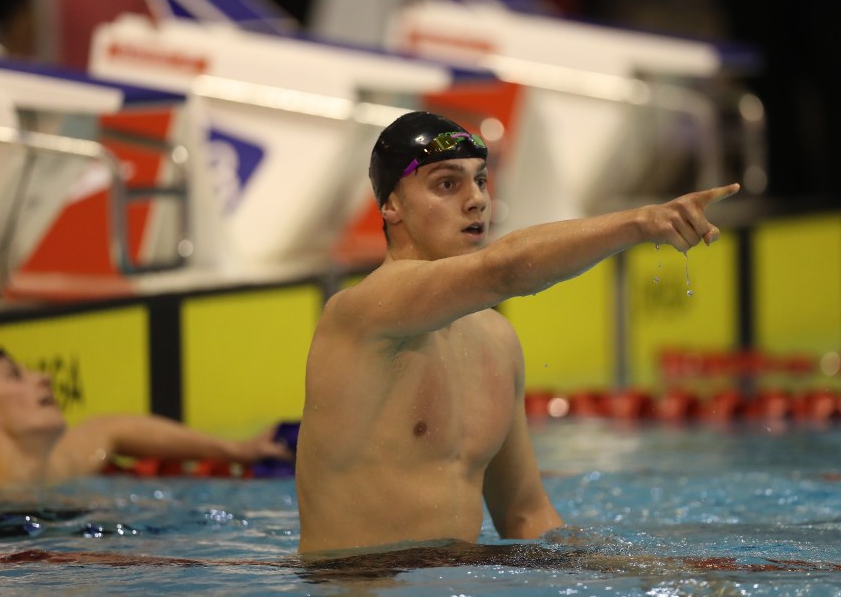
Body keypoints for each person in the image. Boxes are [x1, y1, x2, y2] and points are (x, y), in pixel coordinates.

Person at [295, 111, 740, 555]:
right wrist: (640, 223)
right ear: (391, 205)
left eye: (481, 181)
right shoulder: (363, 312)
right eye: (447, 184)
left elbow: (525, 515)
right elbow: (505, 270)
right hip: (361, 583)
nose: (477, 201)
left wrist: (629, 569)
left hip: (456, 582)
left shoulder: (496, 338)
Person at [0, 346, 293, 497]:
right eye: (15, 376)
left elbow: (110, 429)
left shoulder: (58, 466)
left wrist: (237, 450)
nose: (42, 377)